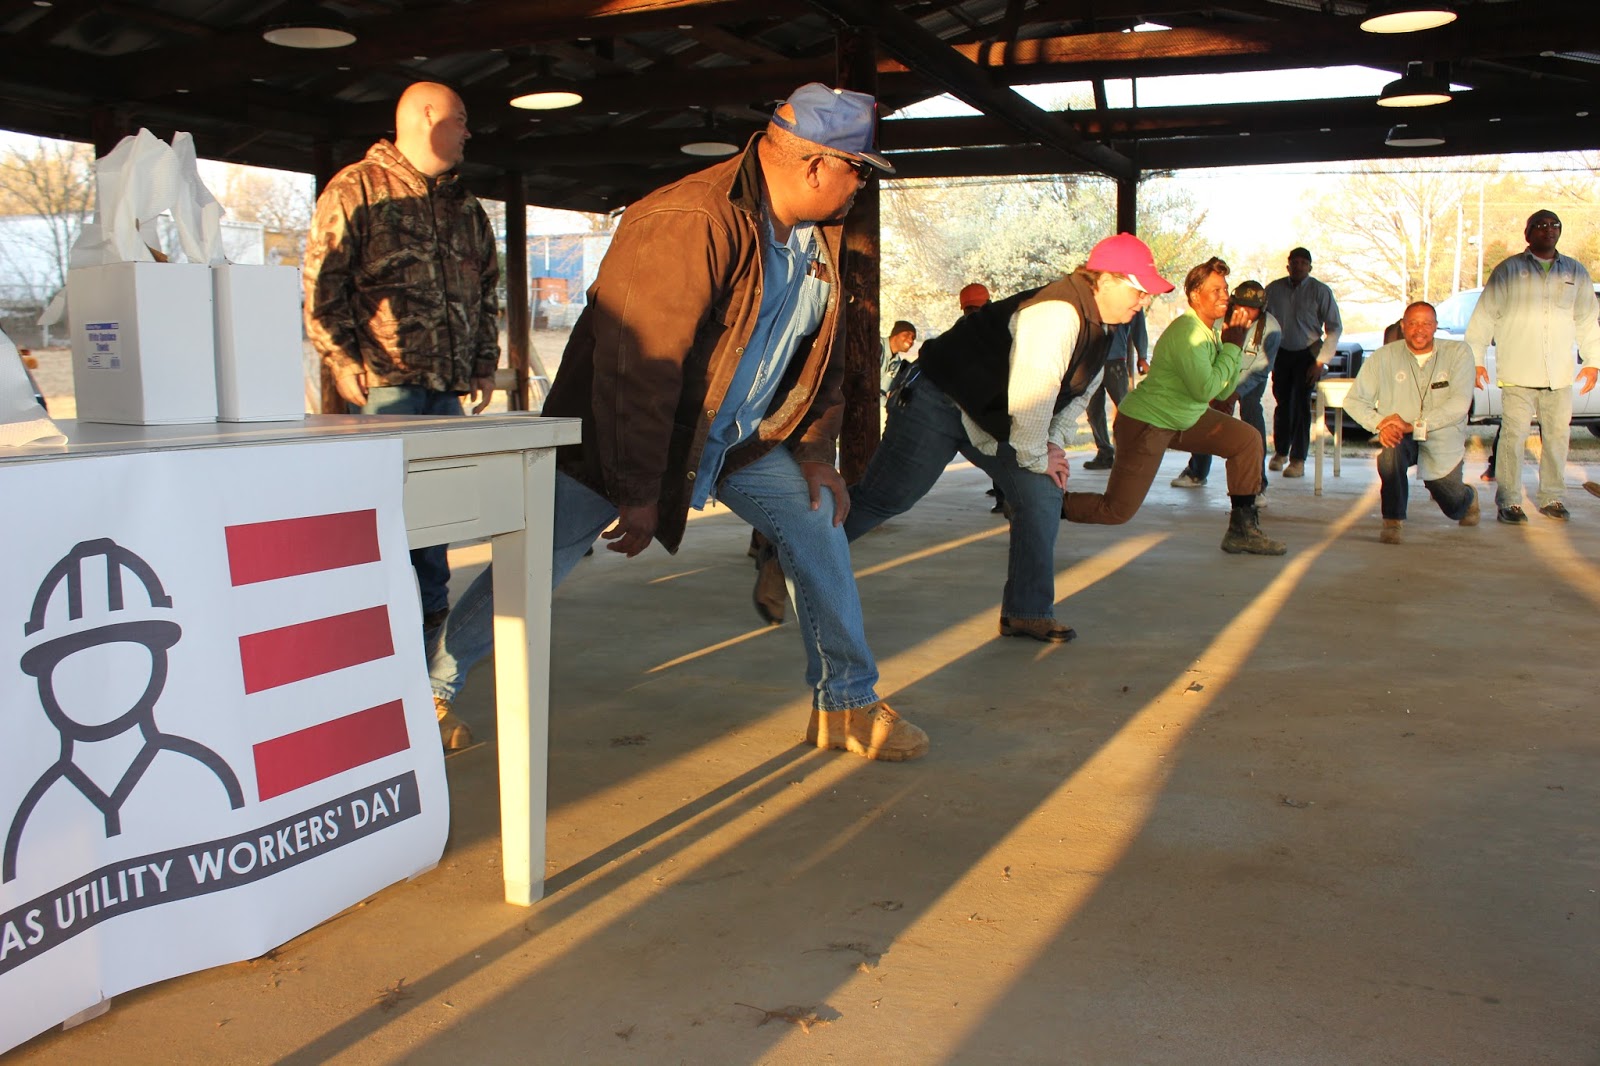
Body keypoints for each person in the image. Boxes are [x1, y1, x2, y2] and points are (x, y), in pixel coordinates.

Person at [426, 83, 928, 763]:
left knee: (816, 522)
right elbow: (638, 369)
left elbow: (826, 357)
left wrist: (813, 451)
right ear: (816, 165)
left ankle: (845, 702)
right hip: (618, 435)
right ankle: (428, 696)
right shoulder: (688, 219)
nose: (860, 186)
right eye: (859, 170)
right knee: (536, 561)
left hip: (735, 440)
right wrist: (638, 487)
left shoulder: (818, 239)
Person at [840, 233, 1172, 642]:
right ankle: (793, 546)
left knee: (1041, 495)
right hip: (938, 400)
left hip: (990, 415)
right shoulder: (1058, 314)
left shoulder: (1104, 329)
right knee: (887, 498)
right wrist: (1036, 456)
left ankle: (1026, 612)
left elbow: (1076, 396)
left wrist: (1051, 446)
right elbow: (1032, 399)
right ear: (1104, 280)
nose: (1144, 302)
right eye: (1138, 291)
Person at [303, 80, 500, 752]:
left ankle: (424, 691)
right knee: (385, 543)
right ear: (423, 117)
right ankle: (378, 691)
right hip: (383, 392)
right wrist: (341, 359)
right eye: (461, 120)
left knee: (436, 546)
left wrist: (483, 361)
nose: (469, 133)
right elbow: (321, 282)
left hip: (444, 394)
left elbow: (488, 287)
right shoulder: (357, 189)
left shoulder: (465, 208)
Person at [1063, 256, 1285, 556]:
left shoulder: (1211, 331)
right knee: (1116, 510)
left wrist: (1232, 345)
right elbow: (1206, 389)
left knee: (1247, 439)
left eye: (1225, 289)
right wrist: (1232, 345)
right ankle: (1042, 506)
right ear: (1195, 295)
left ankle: (1242, 530)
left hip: (1185, 417)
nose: (1224, 296)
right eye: (1215, 290)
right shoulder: (1189, 332)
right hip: (1147, 421)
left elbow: (1226, 388)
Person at [1465, 209, 1600, 523]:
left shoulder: (1576, 272)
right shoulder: (1509, 270)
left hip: (1559, 374)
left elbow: (1587, 320)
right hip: (1518, 373)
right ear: (1527, 234)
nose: (1548, 230)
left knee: (1557, 438)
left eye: (1554, 225)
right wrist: (1475, 359)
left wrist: (1593, 362)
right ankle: (1509, 502)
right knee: (1513, 438)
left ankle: (1552, 497)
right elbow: (1484, 316)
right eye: (1540, 225)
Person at [1342, 301, 1480, 543]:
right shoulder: (1383, 357)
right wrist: (1381, 423)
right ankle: (1392, 521)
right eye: (1413, 323)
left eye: (1426, 324)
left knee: (1452, 504)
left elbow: (1459, 404)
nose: (1420, 329)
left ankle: (1468, 498)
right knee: (1389, 455)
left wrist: (1413, 424)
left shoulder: (1459, 353)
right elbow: (1354, 401)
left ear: (1436, 327)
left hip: (1441, 435)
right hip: (1400, 433)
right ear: (1403, 326)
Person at [1170, 280, 1280, 496]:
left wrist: (1232, 396)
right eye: (1239, 305)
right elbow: (1206, 355)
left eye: (1252, 308)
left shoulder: (1272, 329)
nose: (1245, 312)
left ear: (1262, 309)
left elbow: (1260, 369)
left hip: (1249, 377)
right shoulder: (1217, 320)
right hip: (1219, 372)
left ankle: (1258, 483)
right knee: (1205, 415)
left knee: (1251, 411)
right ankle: (1196, 471)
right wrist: (1214, 394)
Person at [1265, 246, 1342, 479]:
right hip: (1281, 352)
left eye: (1302, 263)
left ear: (1309, 266)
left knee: (1300, 405)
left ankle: (1298, 459)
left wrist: (1320, 361)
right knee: (1282, 403)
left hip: (1308, 354)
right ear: (1288, 265)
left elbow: (1334, 327)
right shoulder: (1274, 289)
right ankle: (1280, 452)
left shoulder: (1320, 291)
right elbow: (1261, 319)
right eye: (1294, 262)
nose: (1298, 266)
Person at [1083, 311, 1149, 470]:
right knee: (1093, 410)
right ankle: (1105, 453)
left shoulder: (1128, 295)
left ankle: (1130, 452)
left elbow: (1138, 325)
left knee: (1125, 408)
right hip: (1090, 360)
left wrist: (1142, 356)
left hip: (1114, 360)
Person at [880, 319, 917, 399]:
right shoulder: (877, 347)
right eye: (906, 334)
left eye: (913, 338)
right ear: (895, 334)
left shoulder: (897, 363)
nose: (910, 340)